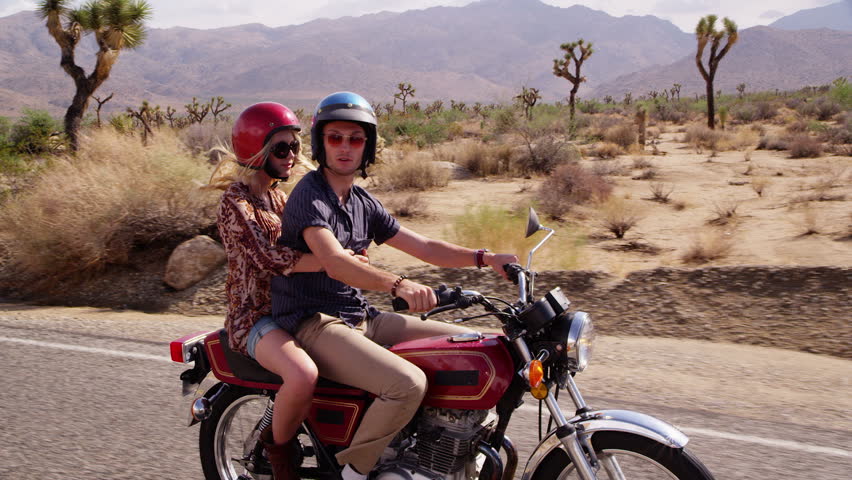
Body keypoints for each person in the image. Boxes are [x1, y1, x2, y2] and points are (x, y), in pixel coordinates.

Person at [271, 91, 519, 480]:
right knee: (406, 383)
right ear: (320, 143)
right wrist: (399, 284)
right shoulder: (310, 195)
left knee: (479, 346)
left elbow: (423, 245)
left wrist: (485, 258)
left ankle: (440, 452)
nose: (345, 147)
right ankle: (353, 473)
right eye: (335, 137)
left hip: (359, 316)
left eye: (356, 139)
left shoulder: (361, 201)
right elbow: (335, 263)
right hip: (312, 321)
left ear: (367, 146)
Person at [211, 102, 366, 480]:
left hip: (296, 308)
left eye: (295, 147)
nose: (292, 156)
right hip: (256, 318)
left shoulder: (281, 198)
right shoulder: (236, 202)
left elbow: (314, 241)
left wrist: (344, 252)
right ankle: (278, 456)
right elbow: (269, 258)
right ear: (256, 150)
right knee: (302, 375)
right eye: (282, 148)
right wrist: (335, 260)